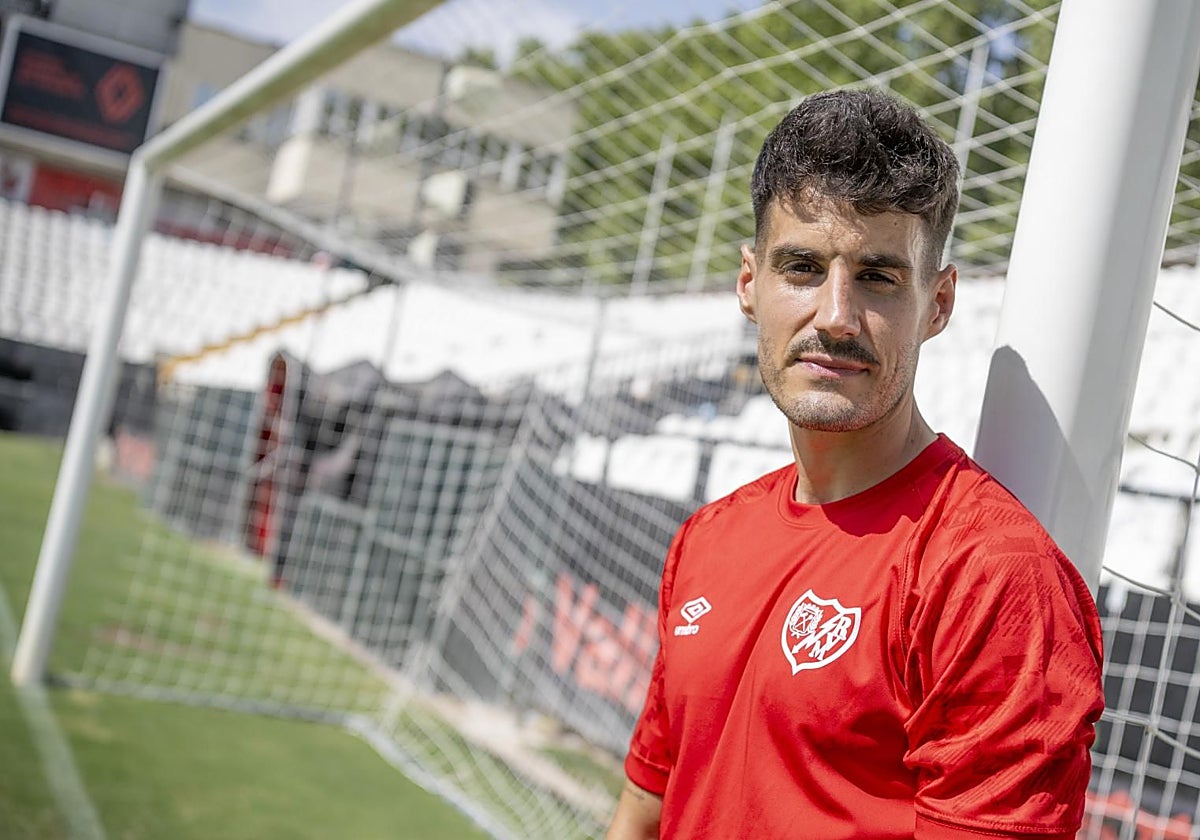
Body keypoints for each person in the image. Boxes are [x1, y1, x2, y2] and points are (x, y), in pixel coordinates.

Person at [605, 88, 1105, 840]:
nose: (836, 317)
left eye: (877, 277)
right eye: (802, 267)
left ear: (937, 304)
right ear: (750, 284)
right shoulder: (707, 538)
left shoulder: (993, 576)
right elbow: (647, 807)